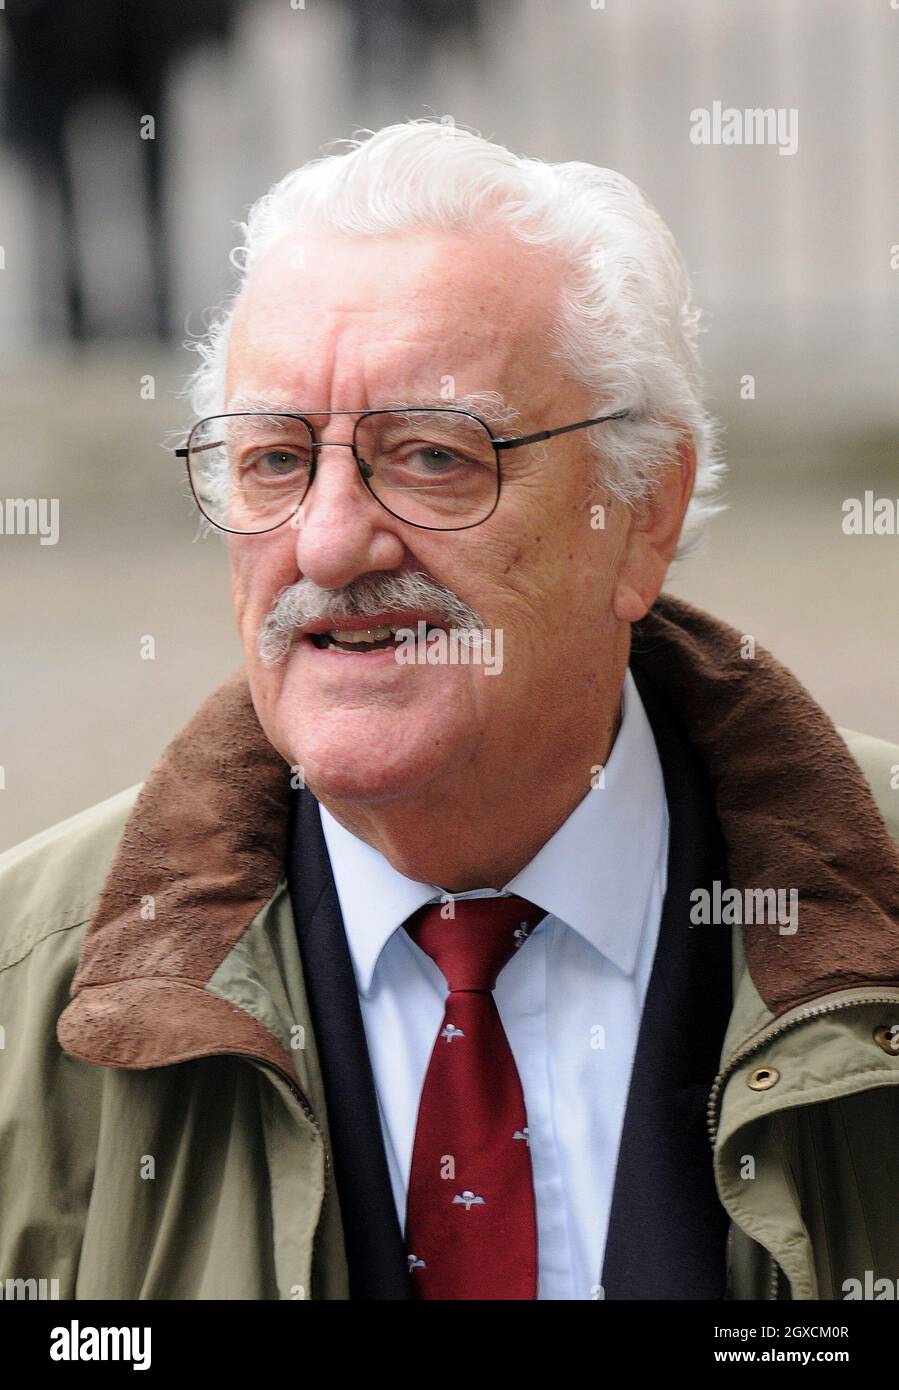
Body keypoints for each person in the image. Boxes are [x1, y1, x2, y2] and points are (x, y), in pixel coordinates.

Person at [2, 120, 898, 1302]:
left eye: (432, 456)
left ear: (642, 511)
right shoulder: (28, 993)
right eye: (272, 460)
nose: (326, 539)